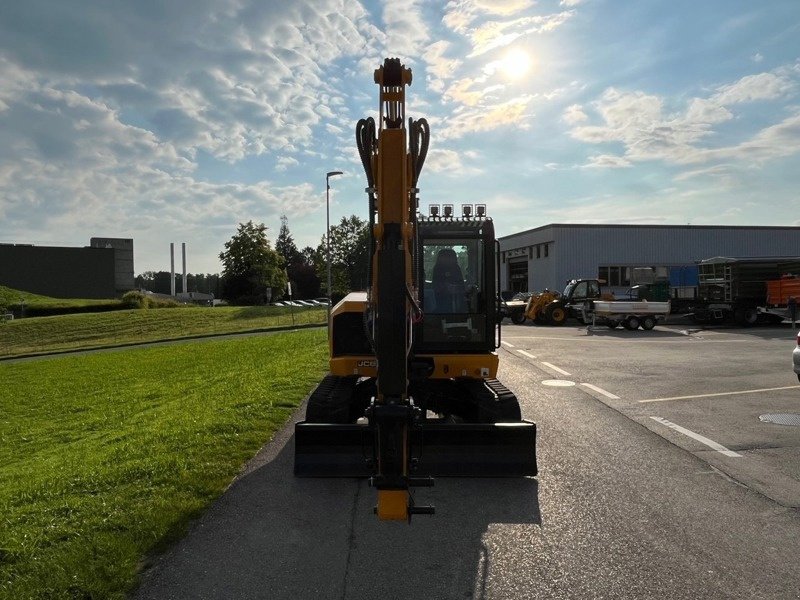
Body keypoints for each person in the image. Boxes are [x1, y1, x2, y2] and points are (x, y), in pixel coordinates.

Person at [432, 248, 465, 312]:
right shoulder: (437, 268)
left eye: (449, 256)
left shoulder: (456, 268)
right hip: (441, 299)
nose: (447, 259)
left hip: (456, 299)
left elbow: (461, 285)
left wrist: (454, 288)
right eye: (444, 257)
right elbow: (435, 285)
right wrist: (444, 286)